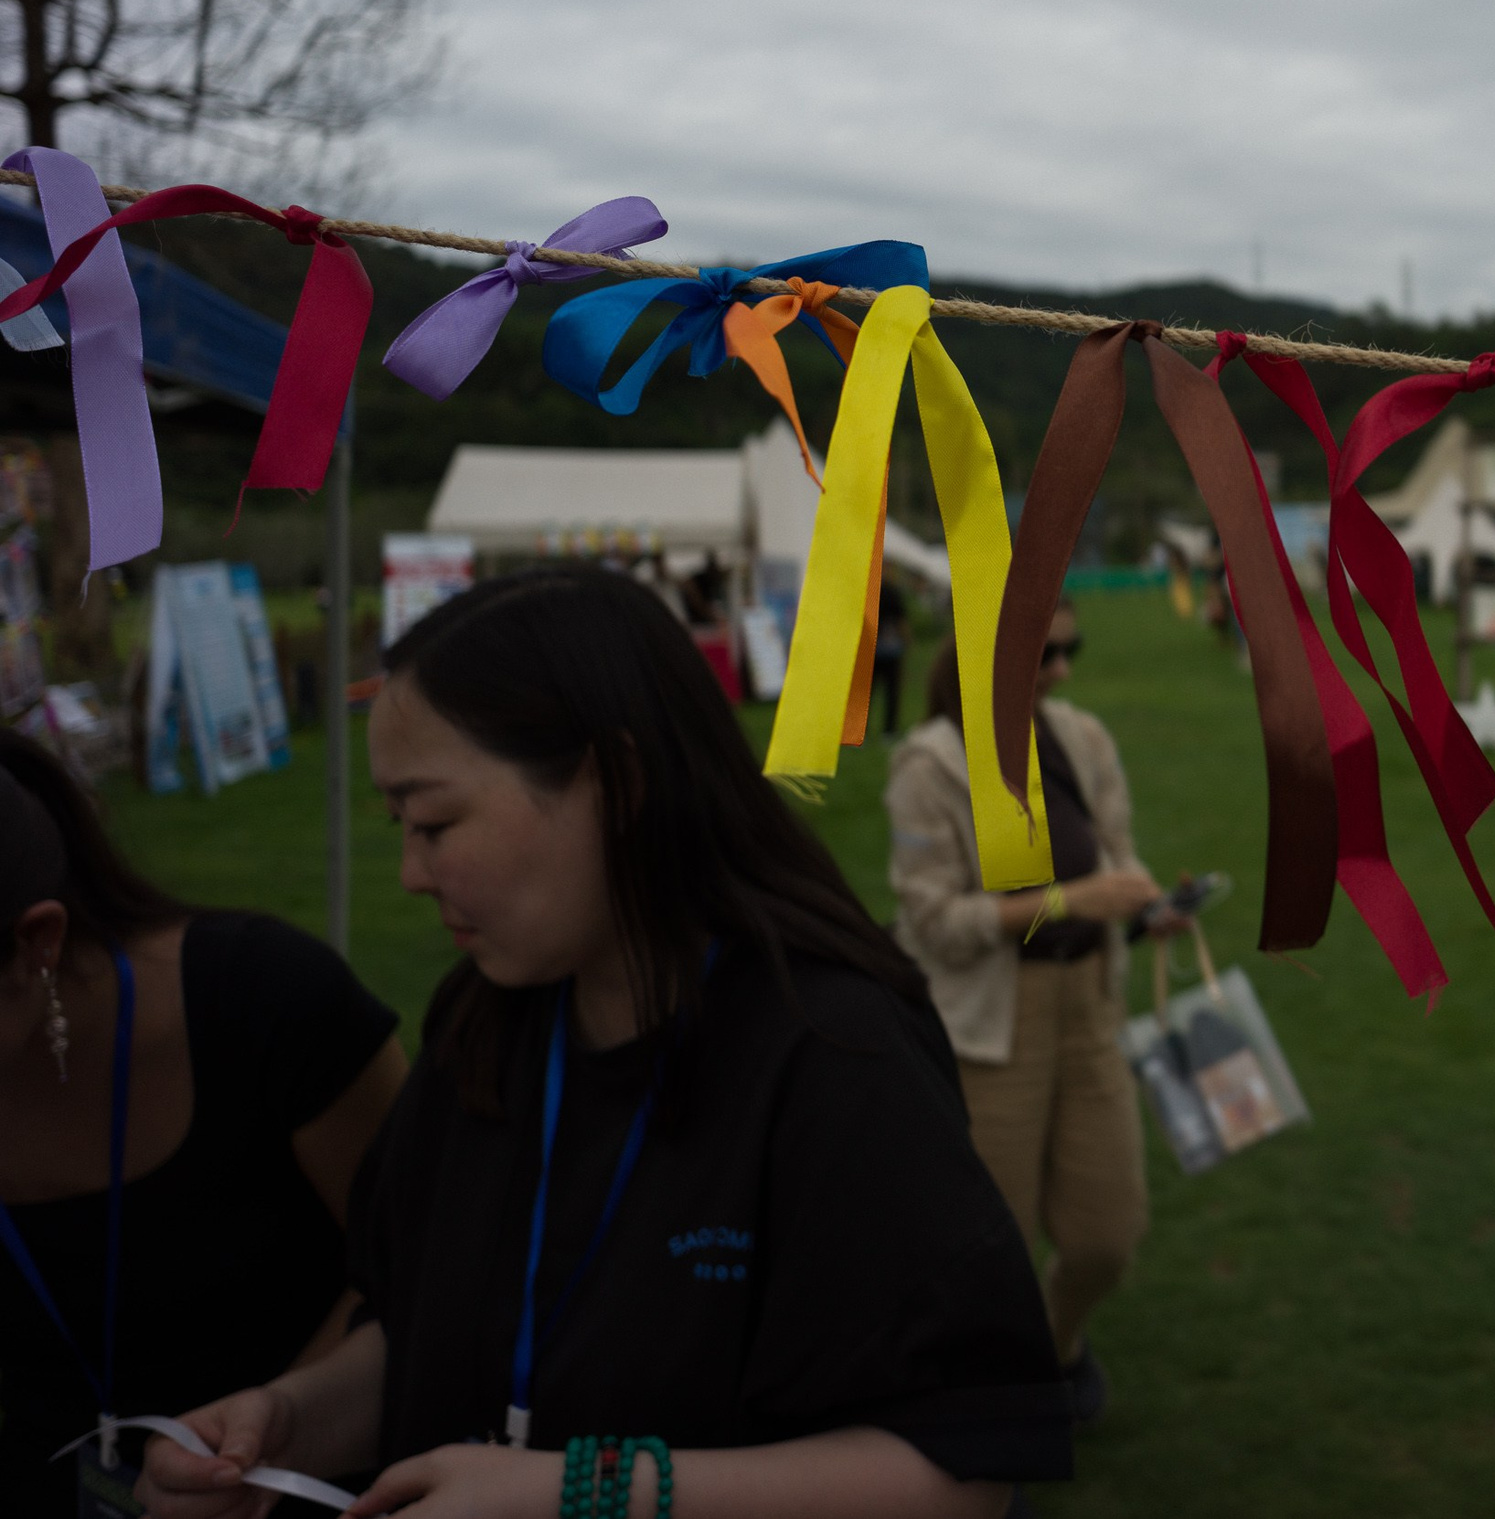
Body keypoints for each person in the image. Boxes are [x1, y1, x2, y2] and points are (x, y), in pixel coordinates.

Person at [142, 567, 1067, 1519]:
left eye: (435, 821)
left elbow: (960, 1477)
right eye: (397, 825)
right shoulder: (483, 1021)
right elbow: (421, 1328)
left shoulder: (833, 1054)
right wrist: (286, 1422)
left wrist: (580, 1492)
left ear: (617, 783)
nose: (412, 872)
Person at [0, 731, 406, 1511]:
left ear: (37, 942)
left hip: (296, 1483)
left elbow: (426, 1267)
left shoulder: (265, 1002)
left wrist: (264, 1437)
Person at [886, 600, 1168, 1431]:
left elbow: (1117, 850)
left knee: (1106, 1234)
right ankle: (998, 1406)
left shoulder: (1081, 737)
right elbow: (934, 922)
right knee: (989, 1248)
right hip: (989, 1027)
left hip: (1088, 1008)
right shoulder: (929, 767)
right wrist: (1067, 900)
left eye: (1070, 649)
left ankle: (1056, 1346)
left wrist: (1148, 902)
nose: (1063, 672)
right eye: (1048, 654)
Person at [873, 575, 912, 737]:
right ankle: (889, 731)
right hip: (891, 649)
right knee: (892, 693)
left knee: (869, 693)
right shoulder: (893, 592)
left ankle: (861, 732)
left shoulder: (871, 592)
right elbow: (901, 620)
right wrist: (907, 641)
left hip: (874, 650)